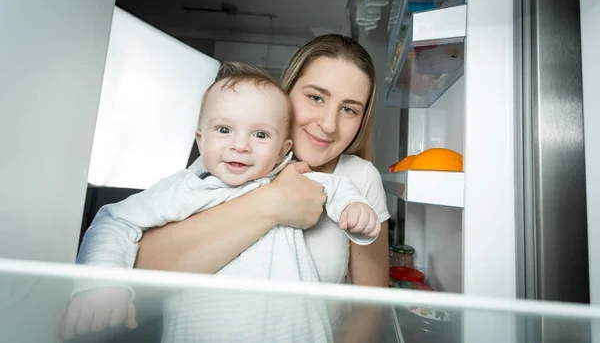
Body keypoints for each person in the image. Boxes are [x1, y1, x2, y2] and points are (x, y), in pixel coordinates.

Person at [62, 64, 382, 342]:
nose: (240, 146)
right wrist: (99, 284)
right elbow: (115, 221)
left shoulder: (292, 177)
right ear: (201, 139)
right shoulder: (188, 186)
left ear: (282, 148)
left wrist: (355, 209)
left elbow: (338, 188)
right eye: (225, 129)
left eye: (260, 135)